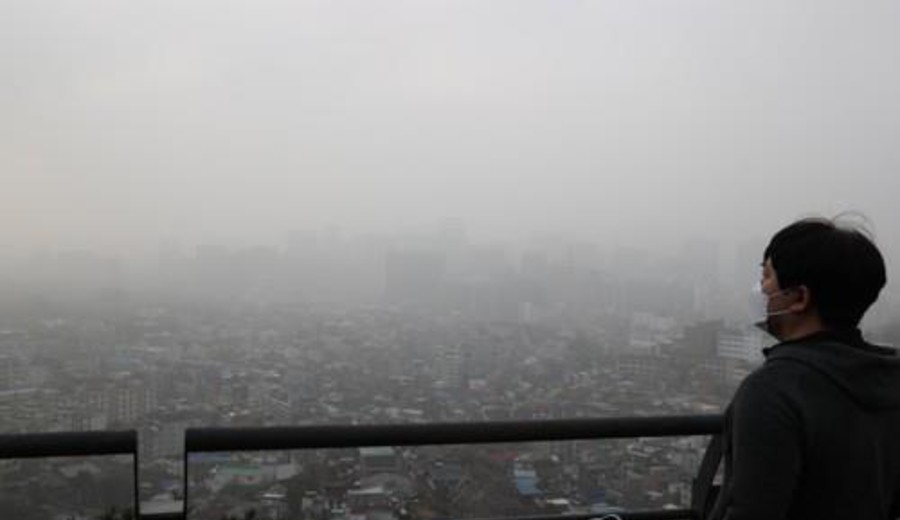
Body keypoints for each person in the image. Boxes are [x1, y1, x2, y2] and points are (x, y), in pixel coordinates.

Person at [709, 216, 900, 520]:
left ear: (799, 298)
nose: (760, 288)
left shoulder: (773, 391)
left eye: (767, 276)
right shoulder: (889, 380)